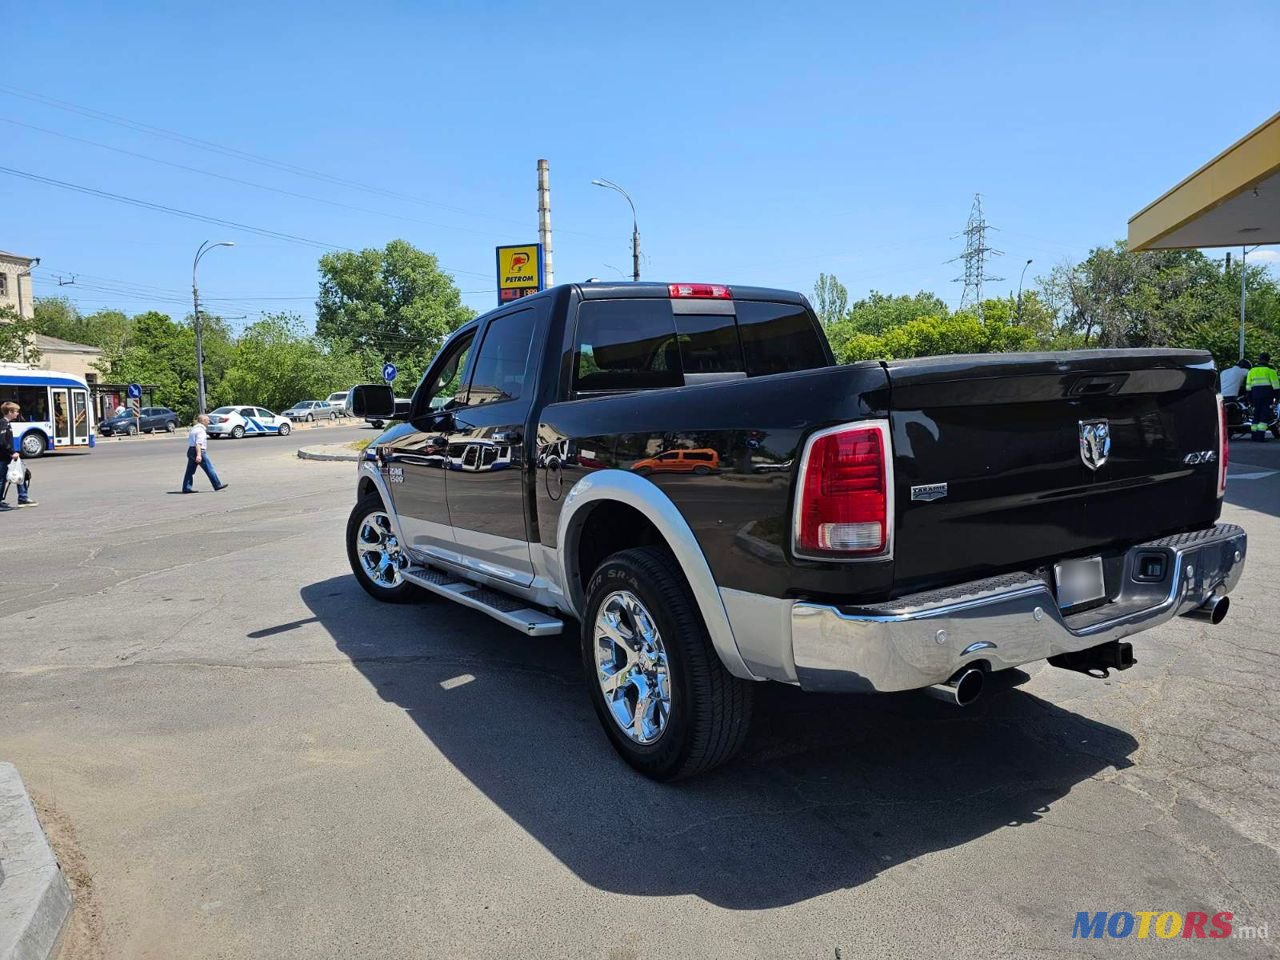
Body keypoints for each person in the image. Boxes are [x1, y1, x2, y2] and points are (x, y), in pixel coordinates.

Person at [0, 402, 36, 507]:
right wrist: (12, 452)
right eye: (16, 411)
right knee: (2, 479)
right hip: (5, 456)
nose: (17, 413)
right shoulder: (3, 423)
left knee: (21, 474)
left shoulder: (7, 423)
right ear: (10, 412)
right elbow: (2, 441)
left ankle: (23, 497)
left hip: (8, 455)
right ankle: (22, 498)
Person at [182, 414, 228, 493]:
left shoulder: (194, 429)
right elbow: (198, 444)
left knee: (189, 471)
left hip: (191, 450)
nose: (209, 422)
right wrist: (199, 455)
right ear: (203, 421)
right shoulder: (201, 431)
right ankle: (217, 485)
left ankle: (186, 487)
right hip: (199, 451)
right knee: (209, 468)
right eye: (207, 420)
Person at [1245, 353, 1279, 443]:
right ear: (1268, 359)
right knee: (1264, 416)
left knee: (1256, 415)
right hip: (1267, 396)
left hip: (1255, 395)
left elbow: (1248, 386)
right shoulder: (1270, 370)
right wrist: (1277, 398)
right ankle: (1260, 437)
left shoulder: (1251, 370)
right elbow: (1276, 385)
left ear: (1259, 359)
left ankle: (1254, 436)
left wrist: (1249, 399)